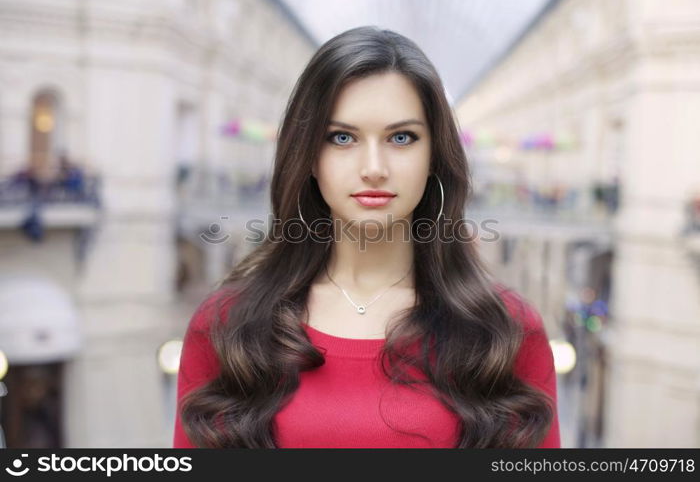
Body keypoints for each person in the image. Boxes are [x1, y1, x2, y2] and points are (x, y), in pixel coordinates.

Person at [173, 26, 561, 448]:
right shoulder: (227, 327)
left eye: (401, 138)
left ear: (433, 156)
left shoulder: (505, 333)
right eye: (342, 138)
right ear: (308, 157)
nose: (373, 167)